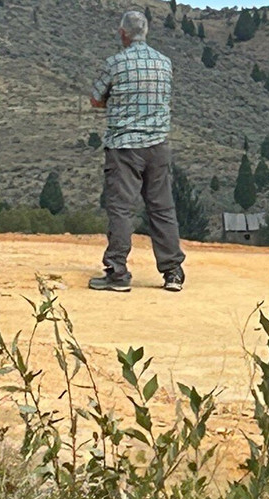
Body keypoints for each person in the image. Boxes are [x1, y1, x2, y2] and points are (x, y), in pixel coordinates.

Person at [89, 10, 185, 293]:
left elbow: (96, 99)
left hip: (124, 147)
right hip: (158, 146)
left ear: (123, 33)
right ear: (146, 32)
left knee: (121, 208)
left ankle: (118, 272)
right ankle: (172, 272)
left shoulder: (115, 64)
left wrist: (117, 104)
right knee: (162, 208)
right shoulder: (164, 63)